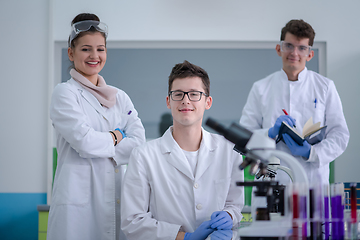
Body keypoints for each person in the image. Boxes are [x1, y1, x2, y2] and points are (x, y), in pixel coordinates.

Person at [47, 13, 146, 240]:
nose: (94, 55)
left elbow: (138, 143)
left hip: (117, 200)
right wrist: (117, 136)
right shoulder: (65, 93)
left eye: (100, 49)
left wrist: (102, 143)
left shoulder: (120, 97)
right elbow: (84, 142)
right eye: (86, 49)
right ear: (71, 53)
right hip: (77, 207)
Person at [121, 60, 244, 240]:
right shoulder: (144, 156)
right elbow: (132, 222)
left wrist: (230, 216)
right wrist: (183, 237)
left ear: (208, 102)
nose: (186, 100)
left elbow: (235, 205)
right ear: (168, 101)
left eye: (194, 94)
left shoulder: (229, 150)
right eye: (178, 94)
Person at [240, 19, 349, 185]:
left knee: (311, 210)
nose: (294, 53)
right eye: (289, 46)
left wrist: (312, 153)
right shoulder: (261, 88)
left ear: (310, 54)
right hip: (271, 179)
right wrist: (269, 133)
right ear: (279, 49)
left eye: (302, 48)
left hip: (312, 181)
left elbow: (340, 135)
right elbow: (244, 135)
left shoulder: (325, 87)